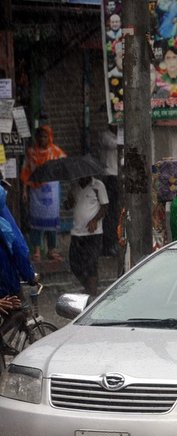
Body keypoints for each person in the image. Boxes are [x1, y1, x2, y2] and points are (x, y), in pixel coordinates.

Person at [18, 125, 67, 262]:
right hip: (36, 190)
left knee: (52, 222)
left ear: (49, 137)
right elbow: (26, 172)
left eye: (45, 136)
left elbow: (64, 166)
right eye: (40, 136)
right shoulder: (31, 153)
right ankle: (37, 250)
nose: (42, 139)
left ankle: (52, 250)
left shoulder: (56, 152)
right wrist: (24, 190)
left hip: (52, 190)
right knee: (36, 222)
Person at [0, 177, 37, 352]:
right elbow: (19, 249)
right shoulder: (3, 213)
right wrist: (29, 276)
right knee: (19, 308)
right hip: (3, 274)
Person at [66, 175, 108, 296]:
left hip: (93, 234)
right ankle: (87, 287)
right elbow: (68, 206)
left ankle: (92, 294)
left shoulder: (98, 186)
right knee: (74, 264)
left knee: (91, 264)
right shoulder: (74, 186)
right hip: (77, 232)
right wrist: (69, 200)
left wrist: (95, 220)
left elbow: (105, 206)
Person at [99, 125, 120, 256]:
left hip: (118, 176)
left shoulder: (119, 135)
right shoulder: (106, 136)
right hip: (109, 176)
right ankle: (108, 245)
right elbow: (115, 144)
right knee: (109, 213)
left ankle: (115, 242)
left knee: (116, 213)